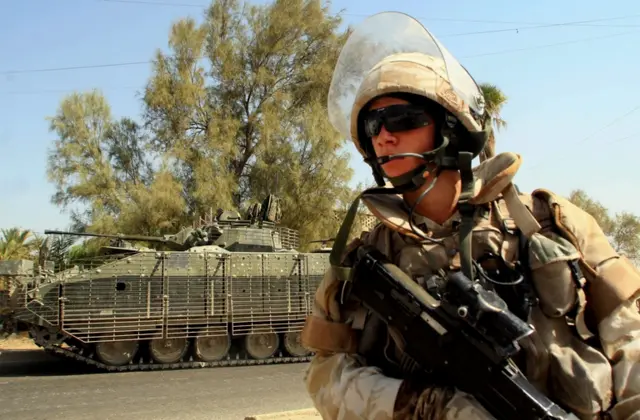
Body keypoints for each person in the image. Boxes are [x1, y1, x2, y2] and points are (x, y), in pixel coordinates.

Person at [300, 11, 640, 420]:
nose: (384, 136)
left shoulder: (551, 222)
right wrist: (427, 405)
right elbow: (325, 376)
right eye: (373, 124)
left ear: (450, 128)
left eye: (402, 119)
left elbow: (630, 336)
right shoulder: (358, 263)